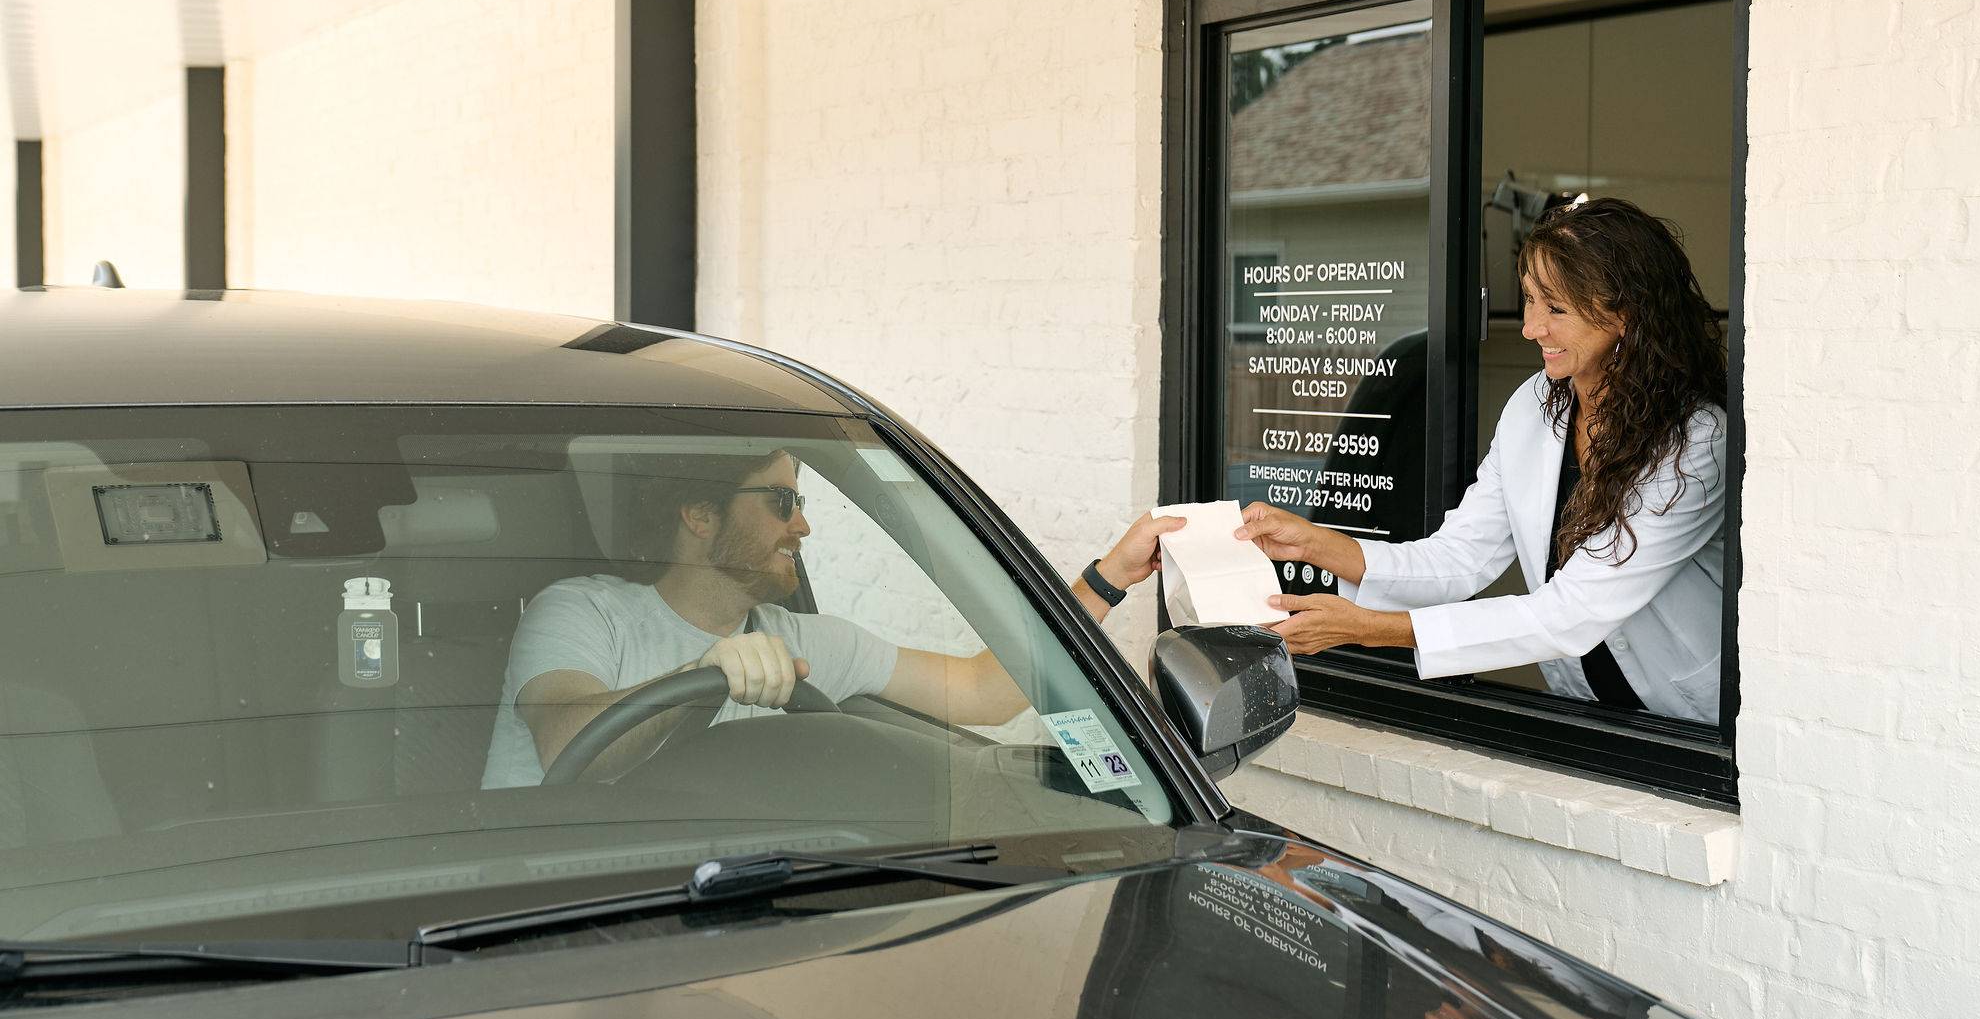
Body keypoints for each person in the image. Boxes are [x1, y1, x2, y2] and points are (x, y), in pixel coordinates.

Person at [1236, 196, 1727, 723]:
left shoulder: (1695, 442)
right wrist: (1316, 544)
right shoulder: (1535, 406)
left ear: (1626, 313)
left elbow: (1570, 613)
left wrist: (1369, 628)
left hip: (1687, 726)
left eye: (1555, 308)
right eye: (1529, 301)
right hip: (1586, 710)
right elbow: (1458, 559)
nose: (1530, 327)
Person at [482, 447, 1185, 787]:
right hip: (542, 915)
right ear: (700, 516)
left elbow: (986, 692)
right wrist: (703, 677)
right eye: (781, 503)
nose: (804, 528)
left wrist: (1110, 576)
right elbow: (565, 741)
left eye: (803, 503)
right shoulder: (584, 611)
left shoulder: (805, 643)